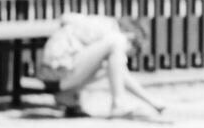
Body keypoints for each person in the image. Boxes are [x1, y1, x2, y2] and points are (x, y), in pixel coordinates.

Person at [36, 12, 166, 120]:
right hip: (57, 71)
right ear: (130, 37)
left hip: (58, 75)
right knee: (116, 42)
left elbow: (120, 74)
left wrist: (152, 102)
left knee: (110, 65)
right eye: (132, 51)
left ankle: (67, 96)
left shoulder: (103, 27)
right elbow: (65, 18)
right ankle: (118, 105)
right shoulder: (112, 32)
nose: (127, 57)